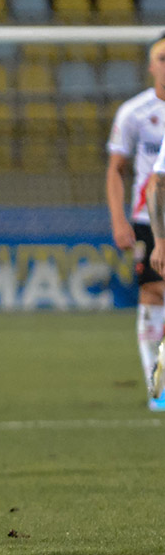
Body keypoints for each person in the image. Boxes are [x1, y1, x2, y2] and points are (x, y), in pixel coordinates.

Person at [106, 32, 165, 411]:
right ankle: (156, 387)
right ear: (149, 65)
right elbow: (116, 169)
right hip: (149, 217)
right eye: (162, 58)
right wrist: (118, 220)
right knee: (153, 292)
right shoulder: (134, 113)